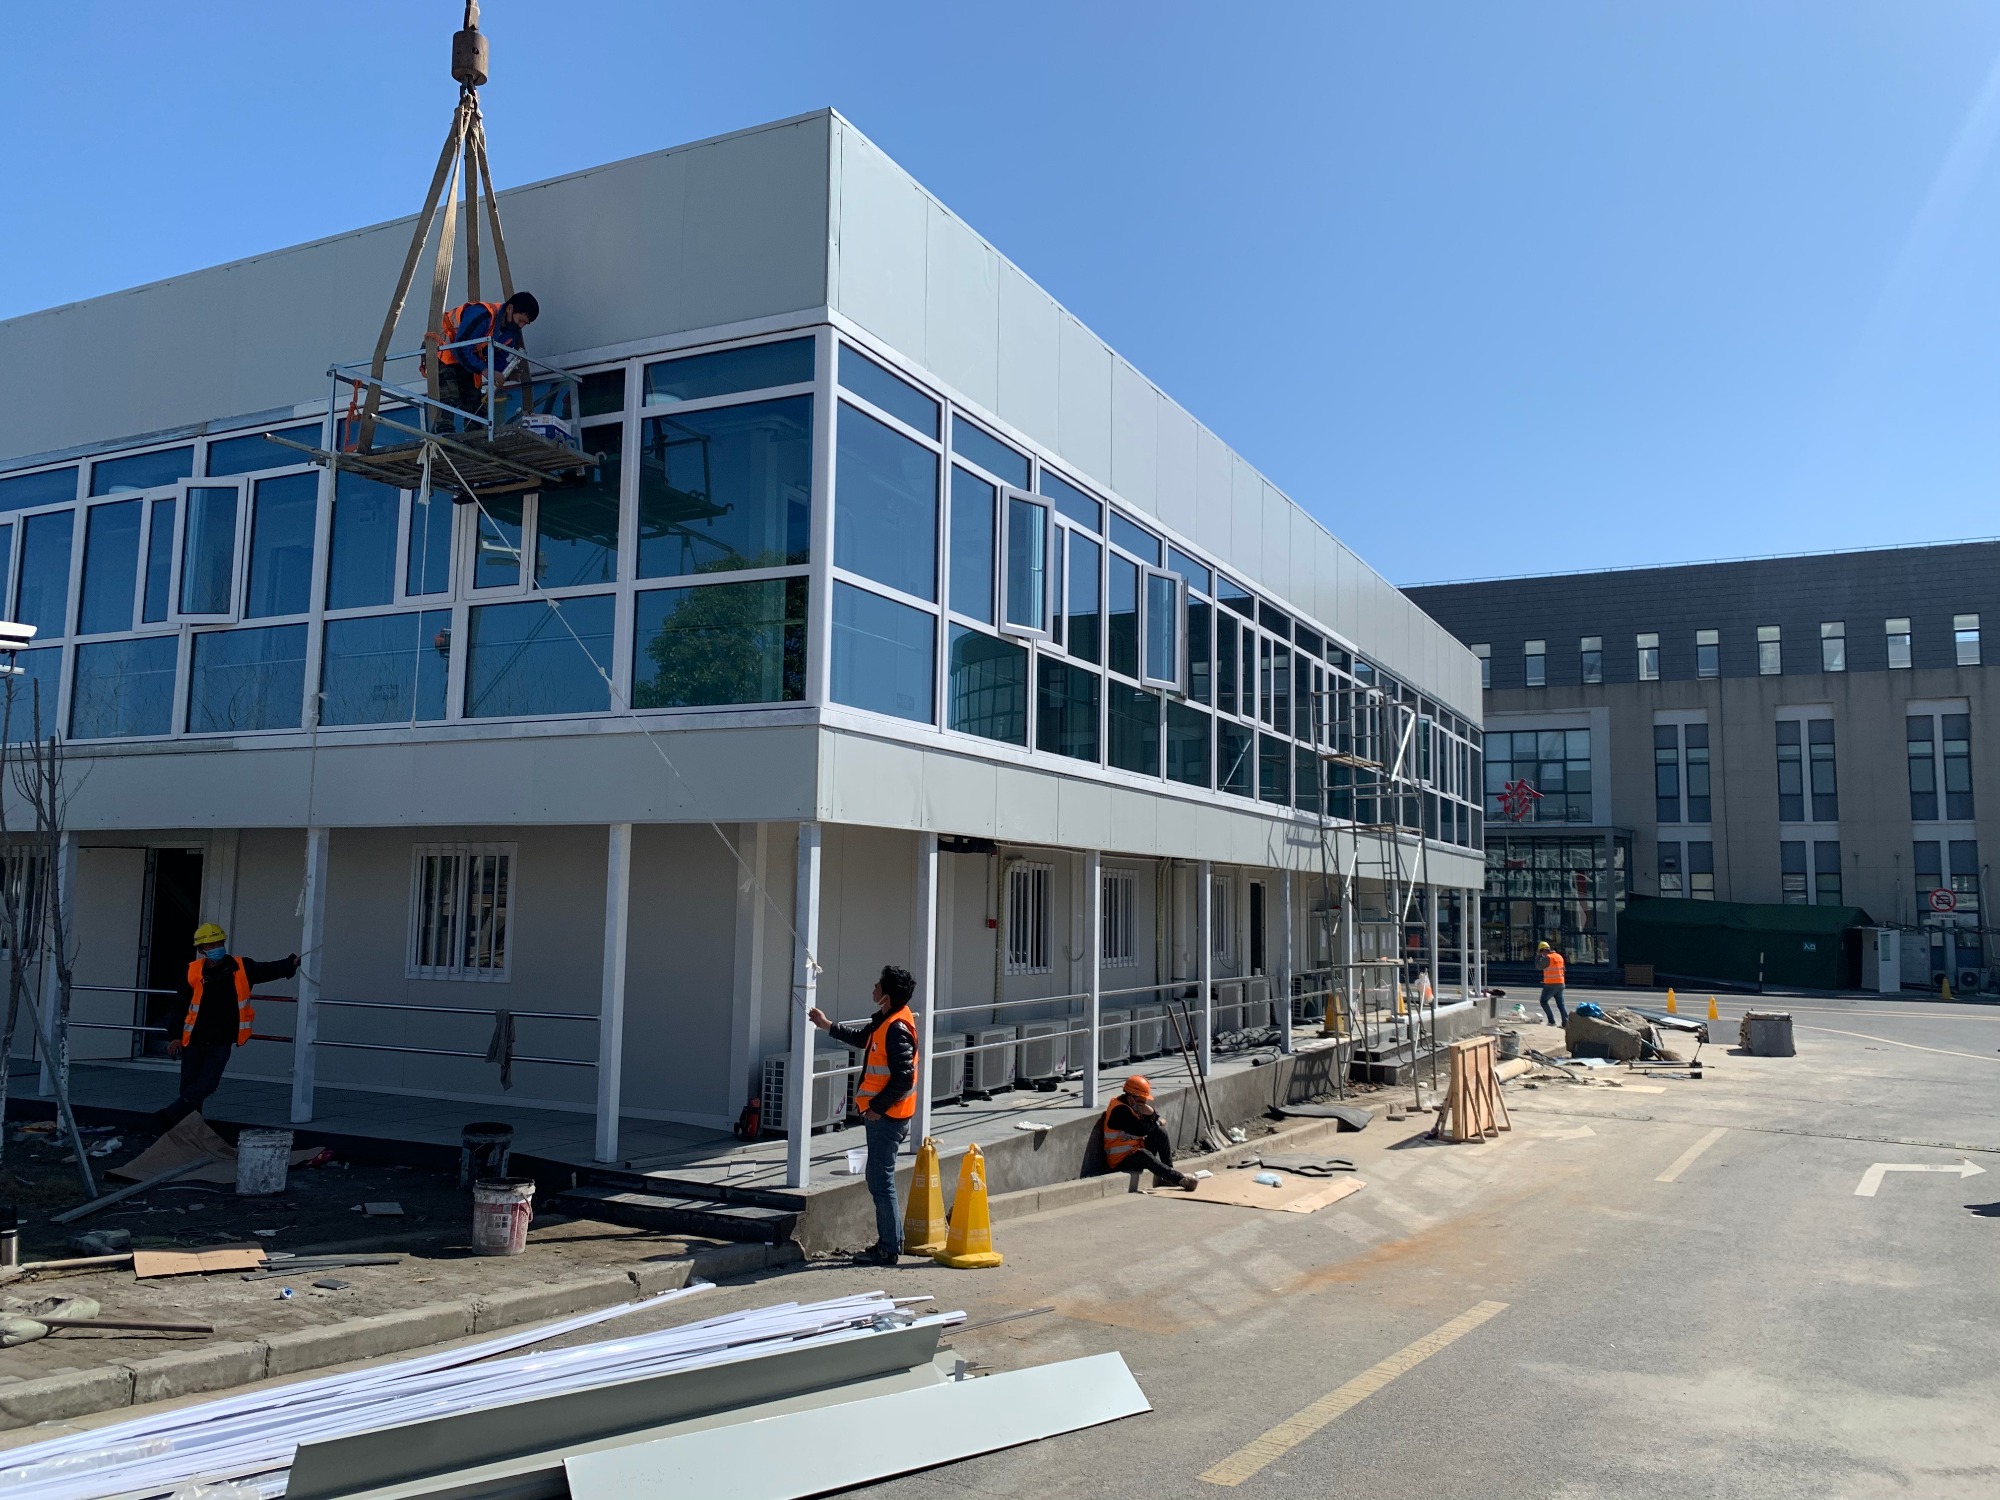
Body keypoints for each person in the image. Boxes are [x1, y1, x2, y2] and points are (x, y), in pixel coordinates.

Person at [808, 965, 919, 1266]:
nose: (874, 986)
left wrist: (874, 1108)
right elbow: (861, 1039)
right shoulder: (886, 1021)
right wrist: (826, 1024)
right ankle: (891, 1242)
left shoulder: (895, 1028)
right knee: (878, 1177)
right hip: (886, 1115)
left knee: (880, 1180)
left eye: (878, 984)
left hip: (887, 1117)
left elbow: (904, 1077)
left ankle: (887, 1248)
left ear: (887, 997)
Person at [154, 924, 298, 1131]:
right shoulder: (192, 971)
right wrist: (175, 1037)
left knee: (207, 1085)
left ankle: (169, 1117)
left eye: (218, 943)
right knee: (189, 1087)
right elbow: (179, 1007)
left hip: (221, 1040)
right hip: (193, 1039)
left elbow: (268, 970)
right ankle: (190, 1129)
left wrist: (290, 963)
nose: (216, 947)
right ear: (202, 949)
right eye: (210, 944)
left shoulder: (242, 967)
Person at [433, 291, 540, 431]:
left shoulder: (511, 333)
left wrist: (505, 374)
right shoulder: (483, 315)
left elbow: (498, 358)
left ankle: (476, 438)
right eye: (520, 320)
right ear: (510, 309)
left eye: (525, 323)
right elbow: (461, 348)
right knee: (449, 396)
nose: (520, 326)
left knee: (474, 402)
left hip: (466, 358)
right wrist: (486, 371)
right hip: (442, 349)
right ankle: (444, 436)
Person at [1099, 1075, 1198, 1190]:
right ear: (1131, 1099)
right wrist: (1153, 1117)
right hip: (1120, 1160)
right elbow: (1141, 1130)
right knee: (1143, 1155)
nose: (1144, 1104)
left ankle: (1168, 1172)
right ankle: (1178, 1178)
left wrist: (1154, 1116)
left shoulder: (1132, 1106)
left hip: (1134, 1150)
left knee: (1160, 1133)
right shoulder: (1120, 1111)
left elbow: (1158, 1123)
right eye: (1142, 1101)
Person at [1536, 940, 1568, 1025]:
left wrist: (1538, 956)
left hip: (1550, 984)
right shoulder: (1559, 956)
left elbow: (1538, 966)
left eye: (1541, 952)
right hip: (1561, 983)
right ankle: (1565, 1022)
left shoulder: (1548, 958)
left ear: (1542, 950)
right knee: (1561, 1004)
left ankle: (1551, 1021)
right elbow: (1564, 969)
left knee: (1543, 1001)